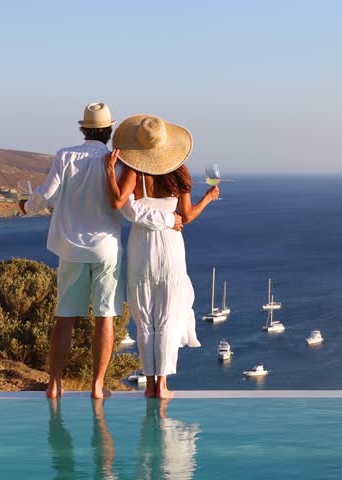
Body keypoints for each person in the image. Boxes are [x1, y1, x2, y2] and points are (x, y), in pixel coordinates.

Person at [20, 103, 183, 399]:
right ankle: (97, 385)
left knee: (65, 317)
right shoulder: (119, 161)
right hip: (106, 248)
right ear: (110, 130)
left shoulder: (65, 156)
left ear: (83, 128)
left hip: (70, 248)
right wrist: (170, 220)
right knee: (105, 317)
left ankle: (54, 383)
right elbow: (128, 205)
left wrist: (26, 207)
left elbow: (46, 194)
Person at [105, 114, 219, 399]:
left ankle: (150, 384)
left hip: (141, 248)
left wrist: (111, 173)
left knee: (145, 320)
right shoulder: (180, 172)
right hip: (170, 248)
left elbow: (125, 207)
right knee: (167, 318)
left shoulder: (132, 172)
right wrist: (208, 198)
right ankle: (163, 386)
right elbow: (187, 217)